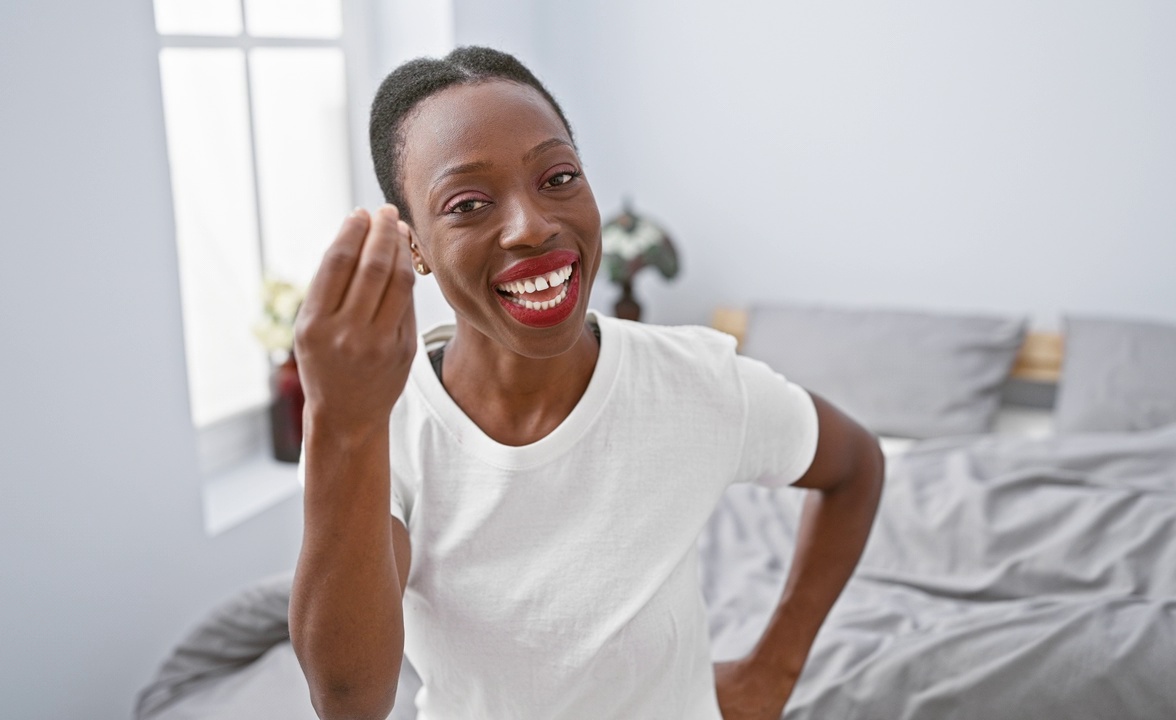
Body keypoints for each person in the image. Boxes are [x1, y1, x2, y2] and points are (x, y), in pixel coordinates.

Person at [288, 46, 883, 720]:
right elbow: (349, 702)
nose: (533, 226)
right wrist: (344, 422)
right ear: (415, 245)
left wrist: (773, 670)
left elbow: (856, 465)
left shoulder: (697, 383)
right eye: (469, 203)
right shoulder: (380, 428)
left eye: (559, 176)